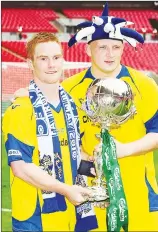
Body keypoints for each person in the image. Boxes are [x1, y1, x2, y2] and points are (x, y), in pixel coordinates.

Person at [12, 3, 158, 231]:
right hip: (87, 197)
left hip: (140, 195)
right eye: (102, 47)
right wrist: (29, 94)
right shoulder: (68, 89)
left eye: (116, 47)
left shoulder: (145, 86)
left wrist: (123, 150)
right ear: (88, 49)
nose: (110, 54)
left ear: (123, 49)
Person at [2, 32, 98, 232]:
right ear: (30, 64)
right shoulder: (21, 110)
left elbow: (72, 152)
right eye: (43, 59)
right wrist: (66, 190)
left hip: (70, 215)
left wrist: (94, 165)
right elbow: (20, 167)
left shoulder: (71, 105)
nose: (51, 65)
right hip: (35, 219)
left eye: (56, 58)